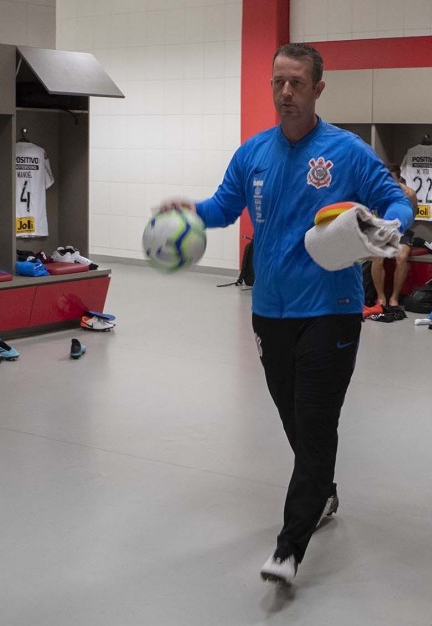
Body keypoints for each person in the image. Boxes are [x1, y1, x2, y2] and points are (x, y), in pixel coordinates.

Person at [158, 43, 413, 585]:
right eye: (278, 82)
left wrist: (392, 225)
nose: (285, 93)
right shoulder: (253, 154)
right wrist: (190, 212)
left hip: (332, 310)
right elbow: (224, 207)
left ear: (318, 88)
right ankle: (323, 489)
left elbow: (396, 198)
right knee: (294, 419)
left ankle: (289, 547)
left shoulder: (346, 151)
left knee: (316, 425)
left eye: (296, 83)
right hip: (269, 311)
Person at [366, 164, 418, 312]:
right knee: (377, 257)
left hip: (403, 230)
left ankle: (394, 297)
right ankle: (381, 297)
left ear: (399, 179)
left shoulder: (409, 193)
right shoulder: (379, 191)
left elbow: (413, 212)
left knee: (401, 257)